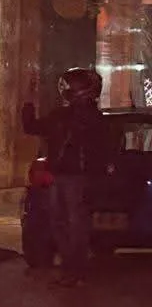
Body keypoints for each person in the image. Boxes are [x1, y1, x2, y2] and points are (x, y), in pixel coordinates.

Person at [22, 67, 113, 286]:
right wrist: (28, 101)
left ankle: (76, 271)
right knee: (59, 223)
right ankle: (70, 270)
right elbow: (33, 126)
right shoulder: (63, 115)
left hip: (78, 178)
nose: (68, 90)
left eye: (73, 86)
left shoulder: (91, 117)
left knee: (74, 224)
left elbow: (101, 150)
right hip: (59, 176)